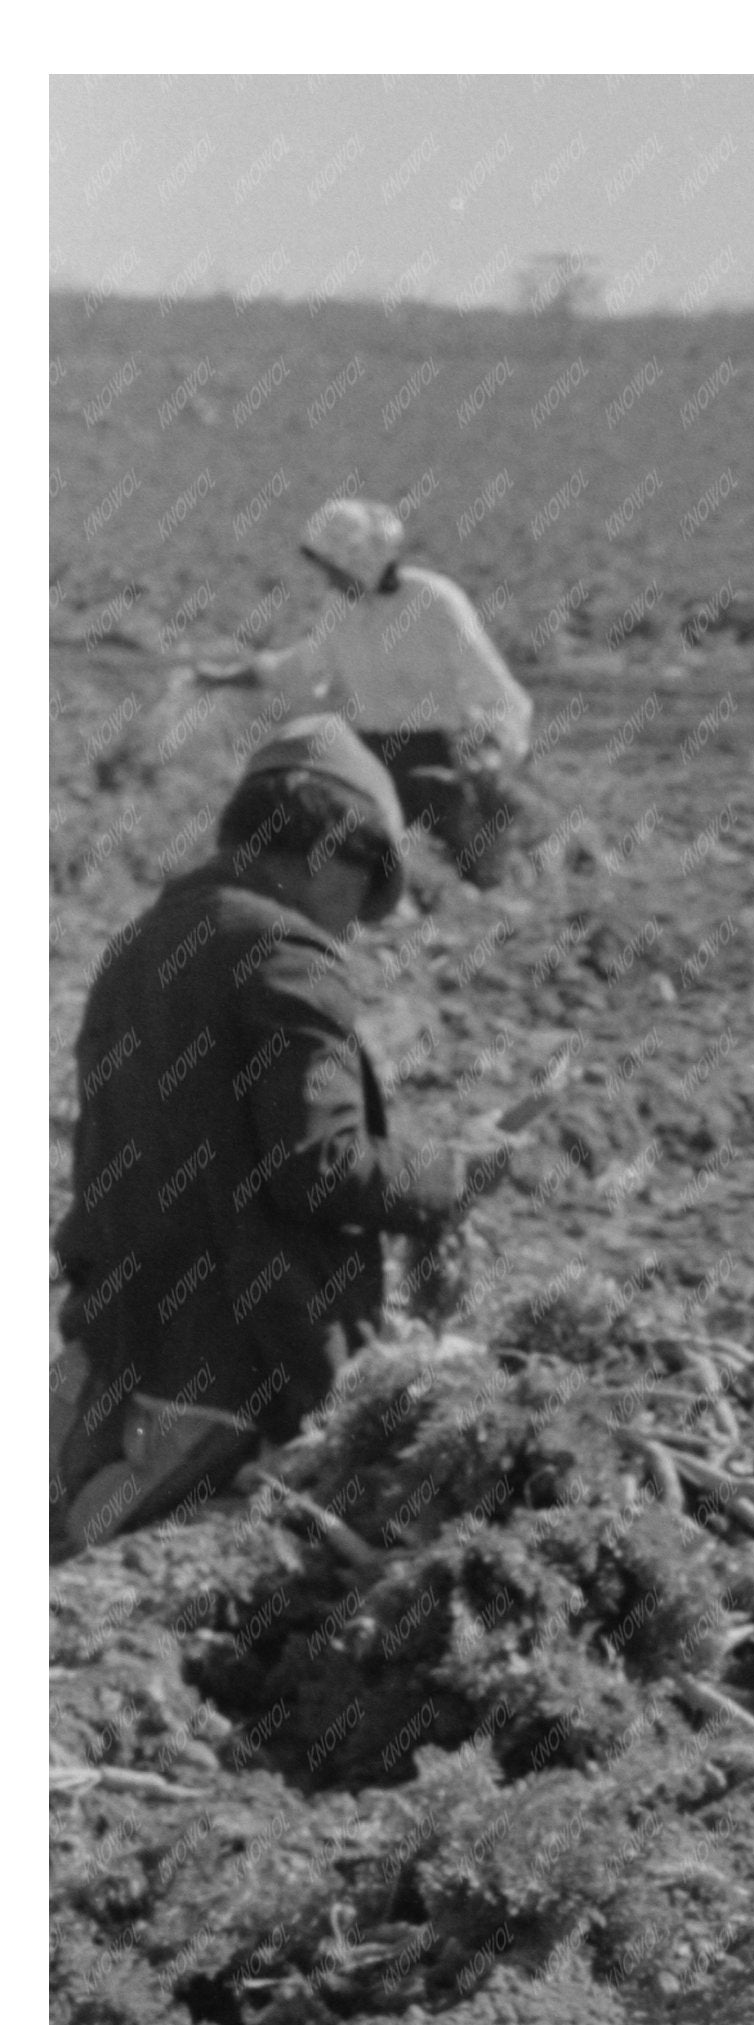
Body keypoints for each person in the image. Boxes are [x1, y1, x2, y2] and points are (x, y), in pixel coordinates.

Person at [51, 717, 515, 1550]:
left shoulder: (138, 946)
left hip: (120, 1345)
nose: (355, 926)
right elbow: (321, 1167)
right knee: (103, 1541)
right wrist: (453, 1176)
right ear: (326, 848)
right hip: (232, 1369)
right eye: (363, 886)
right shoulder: (285, 954)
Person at [217, 500, 535, 888]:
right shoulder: (341, 607)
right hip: (365, 755)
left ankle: (474, 899)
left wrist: (494, 748)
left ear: (361, 560)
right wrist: (235, 675)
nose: (330, 581)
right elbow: (303, 666)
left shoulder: (435, 601)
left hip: (432, 757)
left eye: (334, 569)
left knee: (455, 863)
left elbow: (499, 692)